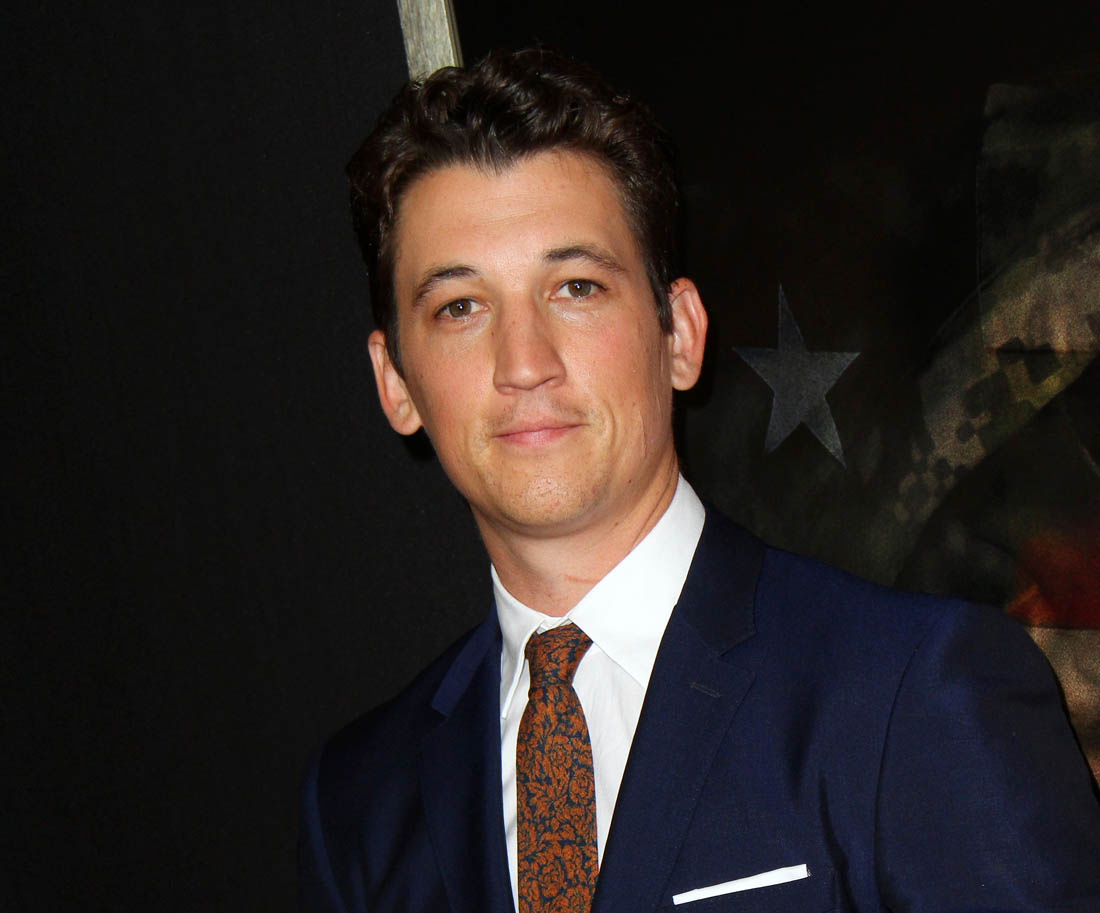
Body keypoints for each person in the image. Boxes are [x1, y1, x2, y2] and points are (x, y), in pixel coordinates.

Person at [299, 48, 1100, 913]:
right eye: (460, 307)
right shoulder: (363, 797)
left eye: (575, 287)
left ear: (679, 334)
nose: (523, 362)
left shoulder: (913, 697)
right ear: (395, 382)